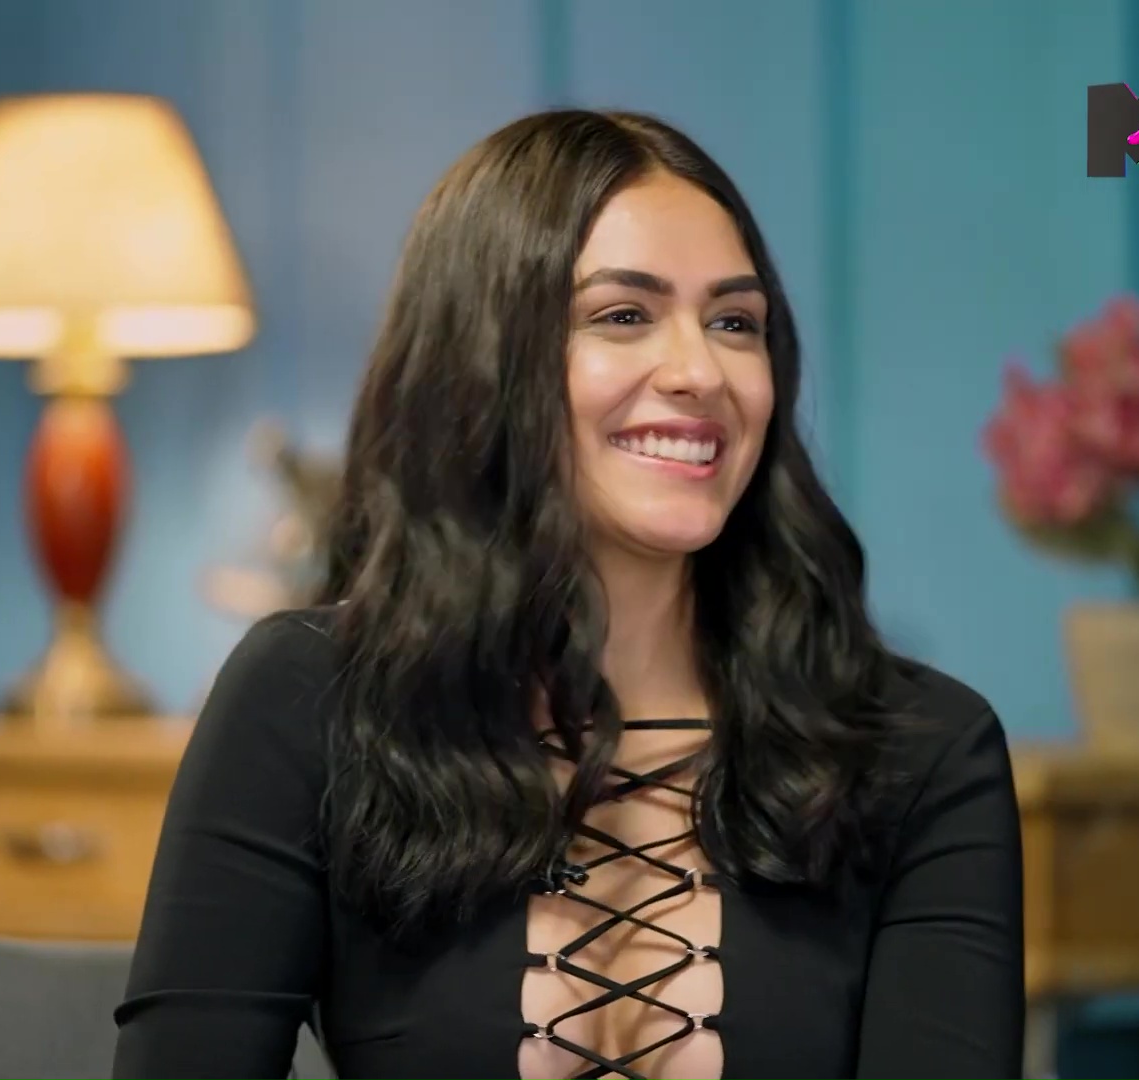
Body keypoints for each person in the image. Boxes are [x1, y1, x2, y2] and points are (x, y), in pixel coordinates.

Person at [113, 109, 1024, 1080]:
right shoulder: (309, 699)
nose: (700, 372)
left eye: (735, 322)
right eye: (623, 315)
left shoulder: (923, 752)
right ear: (481, 357)